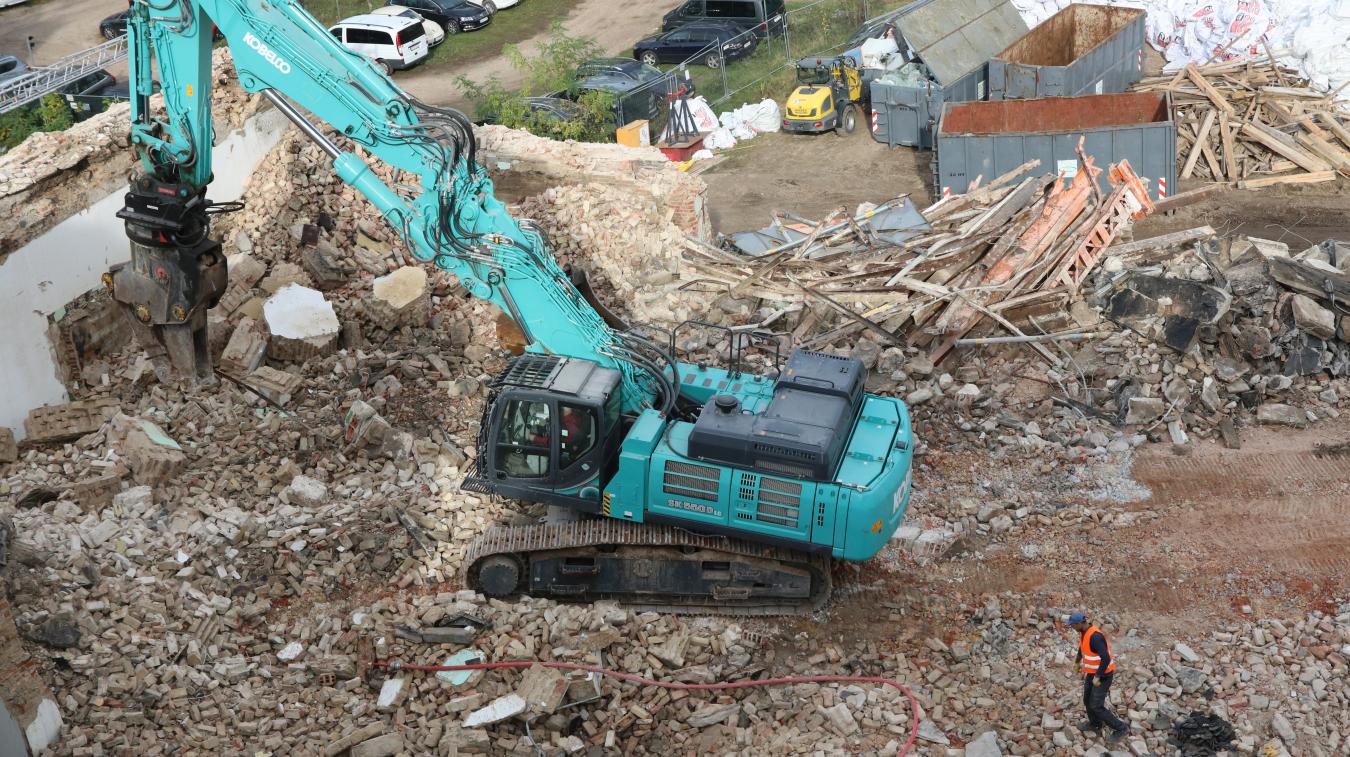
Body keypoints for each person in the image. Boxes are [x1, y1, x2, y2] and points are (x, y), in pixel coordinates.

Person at [1064, 611, 1130, 744]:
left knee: (1096, 705)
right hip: (1092, 673)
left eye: (1072, 625)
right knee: (1087, 700)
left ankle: (1121, 728)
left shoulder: (1095, 636)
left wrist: (1098, 676)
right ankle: (1095, 724)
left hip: (1103, 675)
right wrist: (1077, 662)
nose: (1072, 628)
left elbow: (1105, 658)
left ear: (1079, 623)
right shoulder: (1084, 633)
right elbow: (1082, 648)